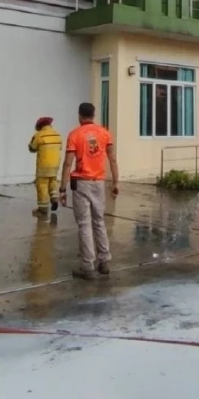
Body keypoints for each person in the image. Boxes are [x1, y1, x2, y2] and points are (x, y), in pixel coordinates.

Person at [59, 102, 118, 280]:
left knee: (84, 223)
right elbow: (112, 159)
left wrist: (62, 188)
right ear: (93, 115)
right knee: (99, 221)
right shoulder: (105, 133)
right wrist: (116, 182)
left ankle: (87, 265)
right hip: (99, 182)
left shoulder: (74, 134)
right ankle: (104, 261)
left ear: (80, 116)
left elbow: (68, 163)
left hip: (82, 183)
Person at [29, 117, 63, 216]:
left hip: (43, 165)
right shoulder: (57, 135)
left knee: (42, 185)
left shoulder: (39, 135)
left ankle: (42, 209)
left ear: (40, 126)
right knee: (53, 182)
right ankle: (54, 198)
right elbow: (60, 147)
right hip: (55, 165)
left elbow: (32, 148)